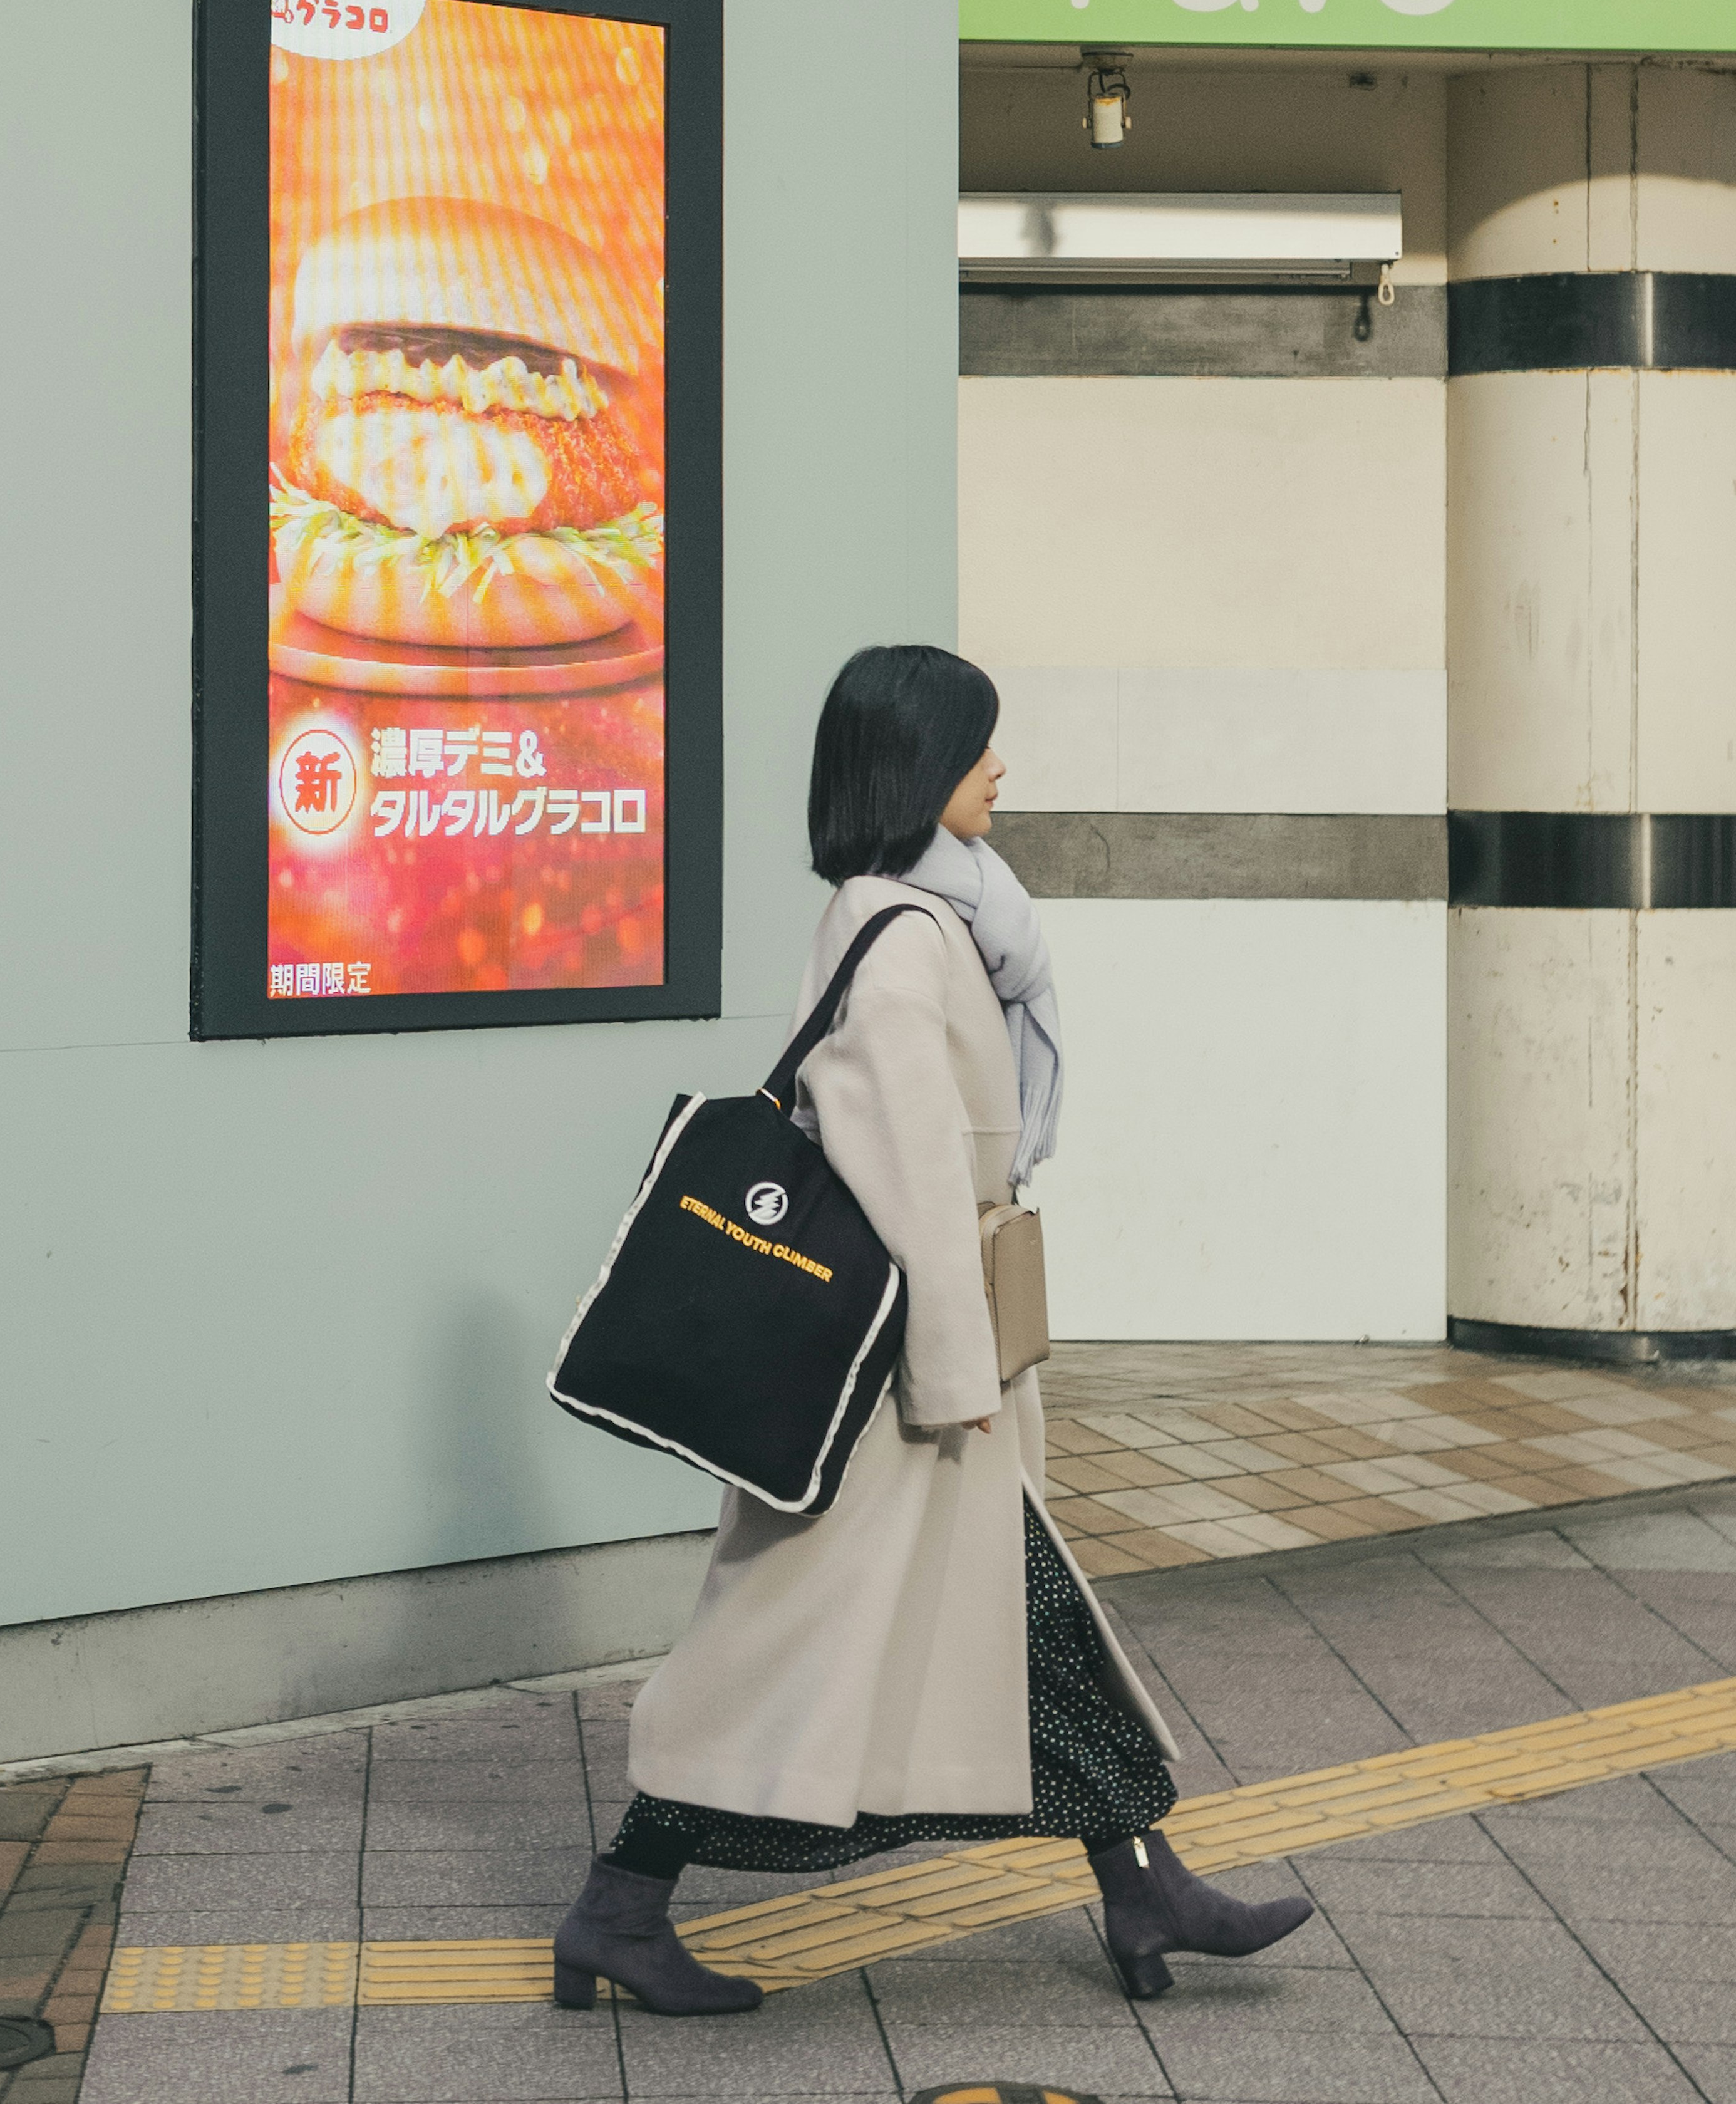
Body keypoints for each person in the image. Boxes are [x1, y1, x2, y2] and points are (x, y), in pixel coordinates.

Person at [552, 641, 1314, 2018]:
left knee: (1038, 1631)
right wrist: (959, 1375)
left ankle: (1143, 1884)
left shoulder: (923, 918)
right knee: (782, 1649)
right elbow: (907, 1173)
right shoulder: (903, 943)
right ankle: (619, 1906)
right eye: (980, 749)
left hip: (936, 1362)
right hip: (907, 1384)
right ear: (919, 766)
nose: (1001, 768)